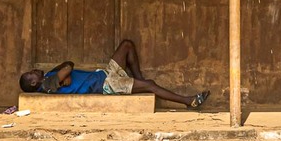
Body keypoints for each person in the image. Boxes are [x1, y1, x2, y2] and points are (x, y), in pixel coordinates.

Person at [19, 39, 210, 109]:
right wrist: (65, 71)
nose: (34, 71)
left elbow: (68, 64)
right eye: (31, 74)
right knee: (151, 85)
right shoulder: (48, 84)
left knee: (127, 45)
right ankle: (188, 101)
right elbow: (68, 67)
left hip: (105, 74)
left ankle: (139, 82)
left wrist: (65, 71)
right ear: (34, 83)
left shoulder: (50, 76)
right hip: (106, 85)